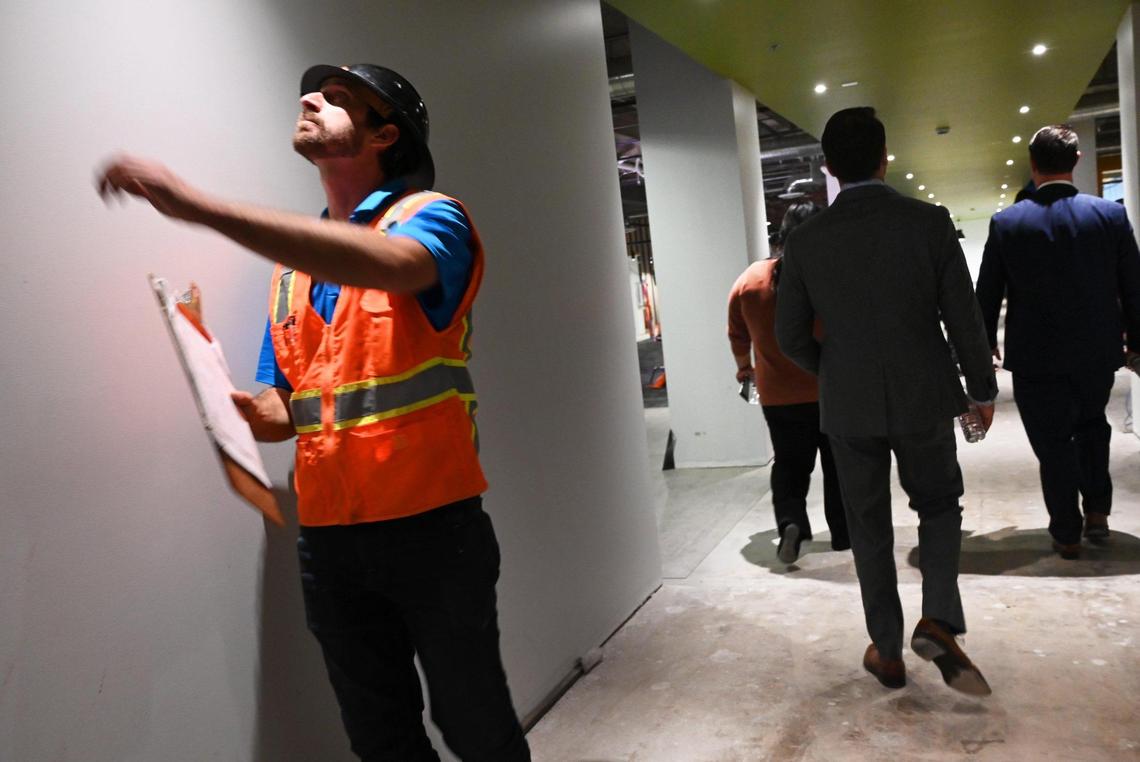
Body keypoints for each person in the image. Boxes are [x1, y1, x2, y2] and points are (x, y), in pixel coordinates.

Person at [98, 64, 530, 762]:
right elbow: (283, 411)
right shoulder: (291, 271)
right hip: (329, 537)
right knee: (379, 736)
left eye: (335, 100)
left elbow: (391, 266)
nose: (309, 99)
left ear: (385, 134)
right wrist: (232, 402)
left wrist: (201, 207)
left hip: (432, 527)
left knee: (474, 723)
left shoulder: (429, 217)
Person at [775, 107, 997, 696]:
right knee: (940, 504)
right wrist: (981, 390)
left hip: (848, 404)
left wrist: (835, 371)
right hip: (923, 391)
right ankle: (938, 618)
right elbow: (964, 319)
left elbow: (790, 335)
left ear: (828, 167)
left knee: (868, 522)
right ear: (884, 157)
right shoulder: (928, 223)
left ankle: (889, 652)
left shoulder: (805, 241)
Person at [975, 124, 1140, 560]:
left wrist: (984, 346)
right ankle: (1098, 511)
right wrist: (1136, 342)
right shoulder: (1109, 216)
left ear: (1033, 165)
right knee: (1091, 427)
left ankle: (1066, 532)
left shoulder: (1007, 222)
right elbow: (1134, 286)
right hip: (1096, 351)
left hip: (1035, 356)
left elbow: (987, 293)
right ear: (1077, 161)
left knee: (1052, 442)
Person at [727, 200, 849, 564]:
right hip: (832, 390)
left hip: (779, 395)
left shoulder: (751, 280)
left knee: (790, 466)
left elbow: (736, 333)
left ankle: (791, 522)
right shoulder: (834, 278)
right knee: (838, 466)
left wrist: (744, 368)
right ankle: (844, 534)